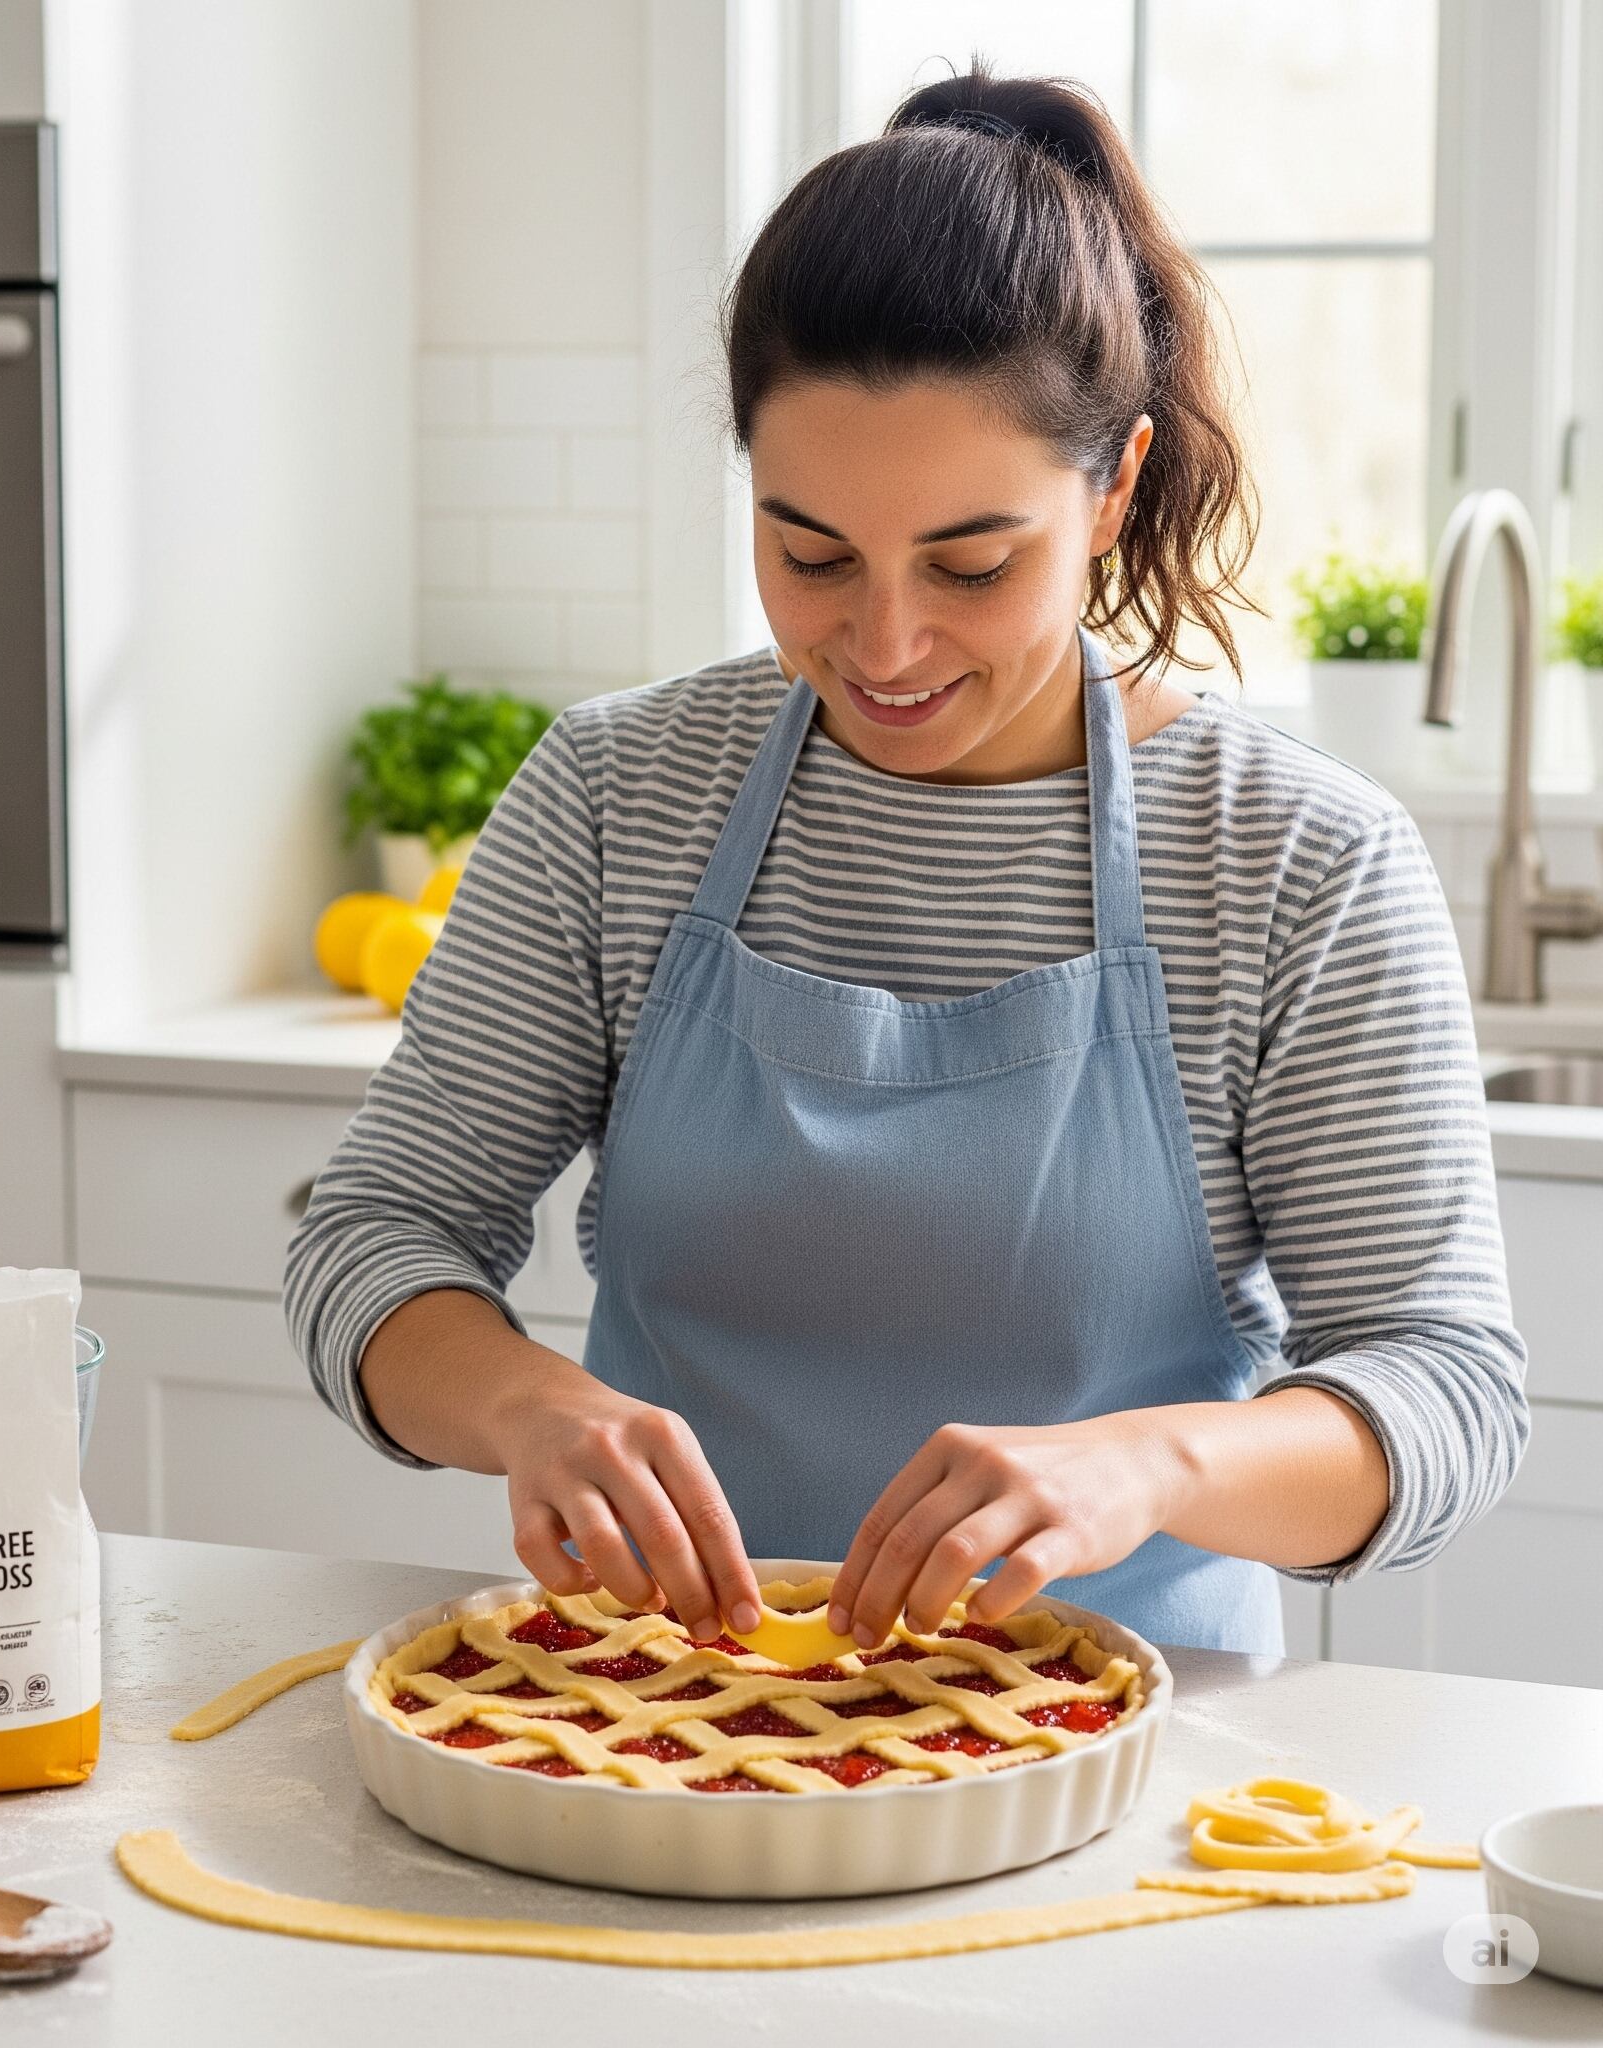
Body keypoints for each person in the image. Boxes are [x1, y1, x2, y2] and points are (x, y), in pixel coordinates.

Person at [286, 65, 1527, 1658]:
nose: (881, 646)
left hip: (1124, 1744)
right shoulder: (618, 795)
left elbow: (1445, 1386)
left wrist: (1152, 1464)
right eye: (809, 553)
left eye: (973, 564)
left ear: (1114, 489)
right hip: (668, 1725)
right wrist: (527, 1404)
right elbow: (374, 1234)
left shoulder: (1295, 861)